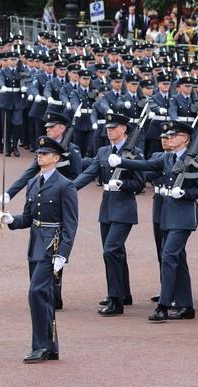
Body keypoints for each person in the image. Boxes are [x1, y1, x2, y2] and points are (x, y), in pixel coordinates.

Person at [109, 121, 198, 321]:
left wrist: (186, 193)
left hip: (183, 217)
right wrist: (121, 162)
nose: (169, 138)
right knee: (177, 260)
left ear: (186, 139)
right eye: (169, 135)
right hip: (168, 216)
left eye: (174, 135)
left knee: (169, 256)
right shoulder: (167, 158)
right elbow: (145, 165)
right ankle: (186, 306)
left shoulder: (194, 162)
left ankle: (163, 305)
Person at [0, 136, 78, 363]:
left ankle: (40, 346)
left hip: (52, 245)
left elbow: (71, 223)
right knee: (43, 294)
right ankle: (51, 346)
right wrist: (10, 220)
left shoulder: (65, 185)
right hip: (35, 243)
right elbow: (28, 217)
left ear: (55, 158)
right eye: (39, 153)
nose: (40, 156)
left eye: (44, 153)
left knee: (35, 293)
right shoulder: (33, 183)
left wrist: (63, 253)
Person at [73, 113, 145, 316]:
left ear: (124, 129)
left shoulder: (134, 153)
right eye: (108, 128)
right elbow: (89, 174)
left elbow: (140, 183)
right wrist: (68, 189)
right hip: (106, 209)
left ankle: (115, 301)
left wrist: (122, 184)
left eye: (114, 127)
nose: (109, 130)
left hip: (124, 208)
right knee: (114, 251)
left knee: (110, 250)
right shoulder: (104, 151)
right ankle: (123, 293)